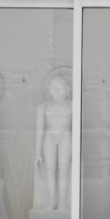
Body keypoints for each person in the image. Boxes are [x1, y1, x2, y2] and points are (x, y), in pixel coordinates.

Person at [35, 75, 72, 210]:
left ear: (67, 89)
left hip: (65, 135)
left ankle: (62, 202)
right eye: (53, 87)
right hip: (49, 136)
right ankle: (51, 202)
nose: (56, 90)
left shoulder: (72, 105)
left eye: (59, 87)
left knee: (63, 169)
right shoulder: (43, 107)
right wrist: (37, 153)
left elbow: (78, 128)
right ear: (49, 89)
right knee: (50, 169)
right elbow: (39, 130)